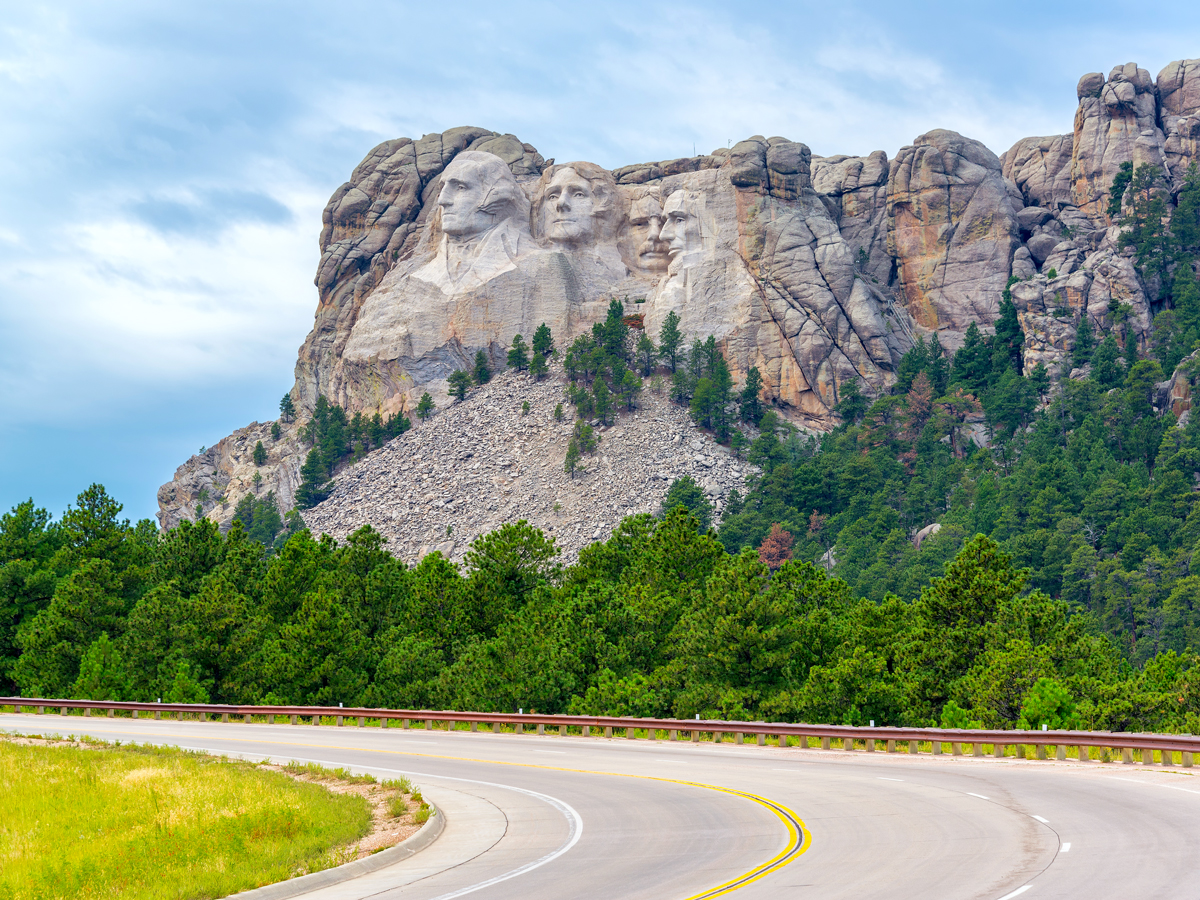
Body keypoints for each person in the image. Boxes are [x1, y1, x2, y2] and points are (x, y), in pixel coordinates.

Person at [412, 151, 535, 294]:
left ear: (495, 195)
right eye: (442, 188)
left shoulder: (536, 262)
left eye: (460, 187)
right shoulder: (421, 275)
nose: (442, 200)